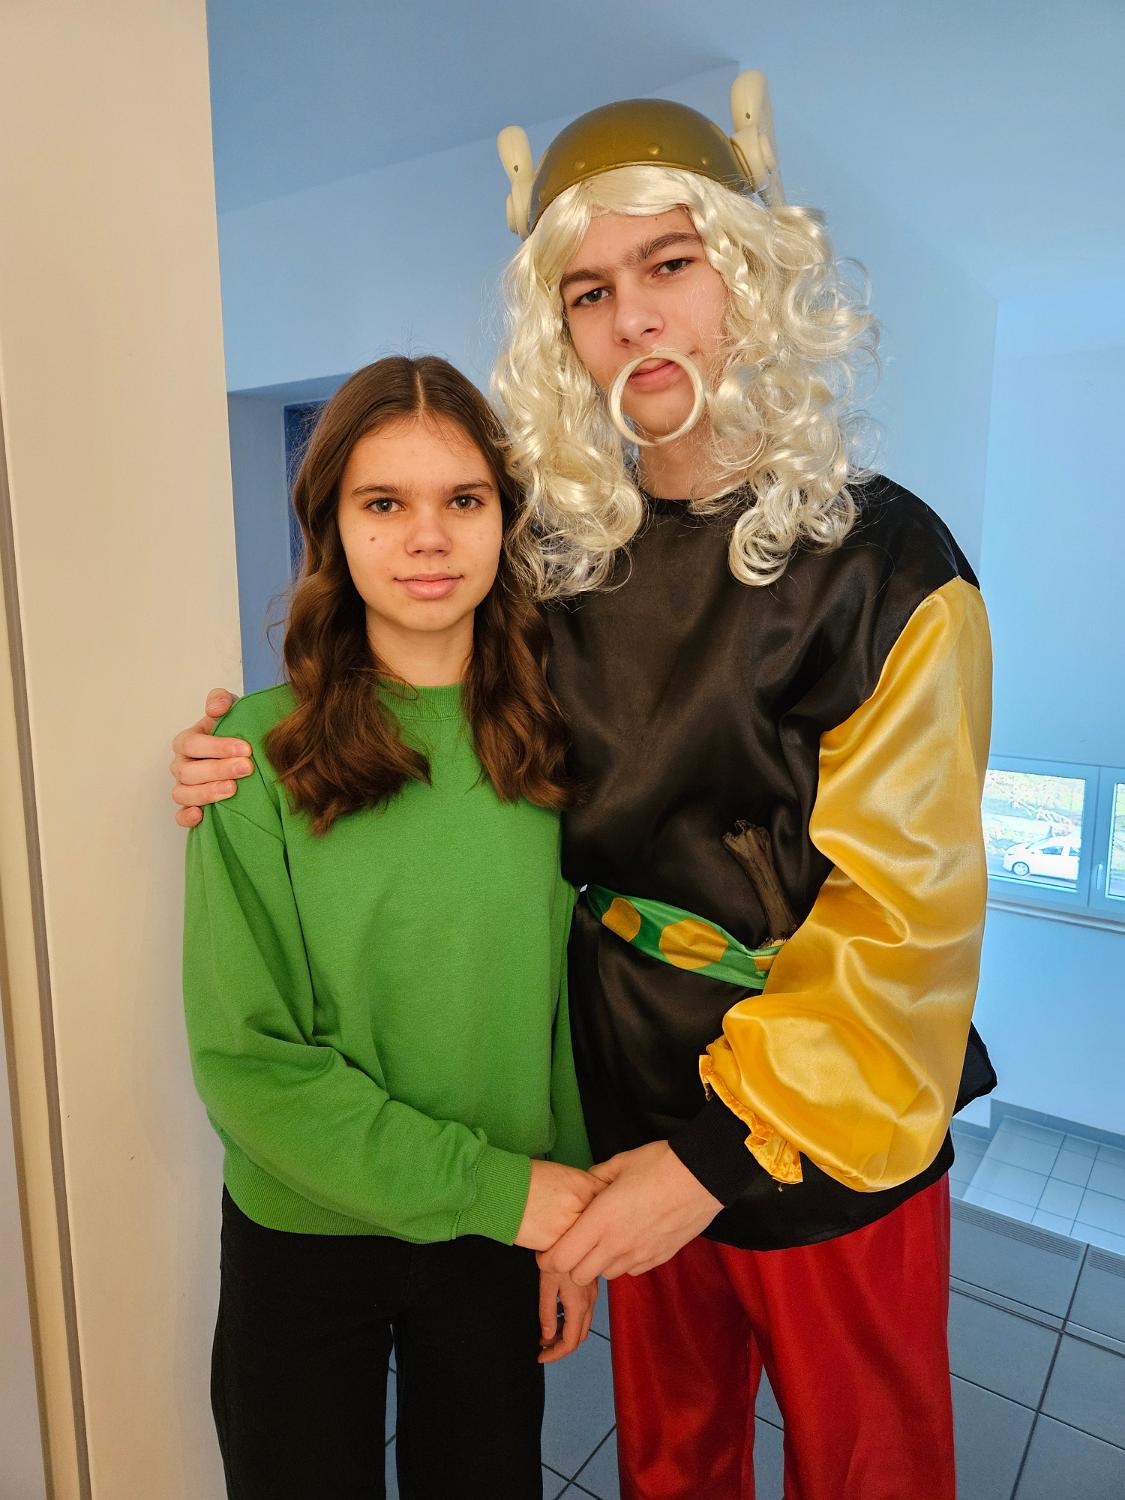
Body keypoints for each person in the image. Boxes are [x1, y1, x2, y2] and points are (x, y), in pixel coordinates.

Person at [173, 78, 995, 1500]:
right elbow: (419, 683)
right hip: (619, 1116)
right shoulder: (558, 559)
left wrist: (714, 1156)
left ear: (745, 279)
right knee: (670, 1465)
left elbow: (904, 922)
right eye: (590, 291)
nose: (634, 320)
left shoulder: (888, 567)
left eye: (670, 265)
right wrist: (246, 741)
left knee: (870, 1466)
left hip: (820, 1119)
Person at [182, 354, 600, 1500]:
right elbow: (249, 1064)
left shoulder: (556, 746)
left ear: (505, 518)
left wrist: (562, 1208)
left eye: (463, 499)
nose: (427, 537)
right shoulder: (252, 757)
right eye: (384, 502)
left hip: (498, 1224)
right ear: (332, 523)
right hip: (309, 1232)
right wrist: (515, 1194)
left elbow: (563, 1003)